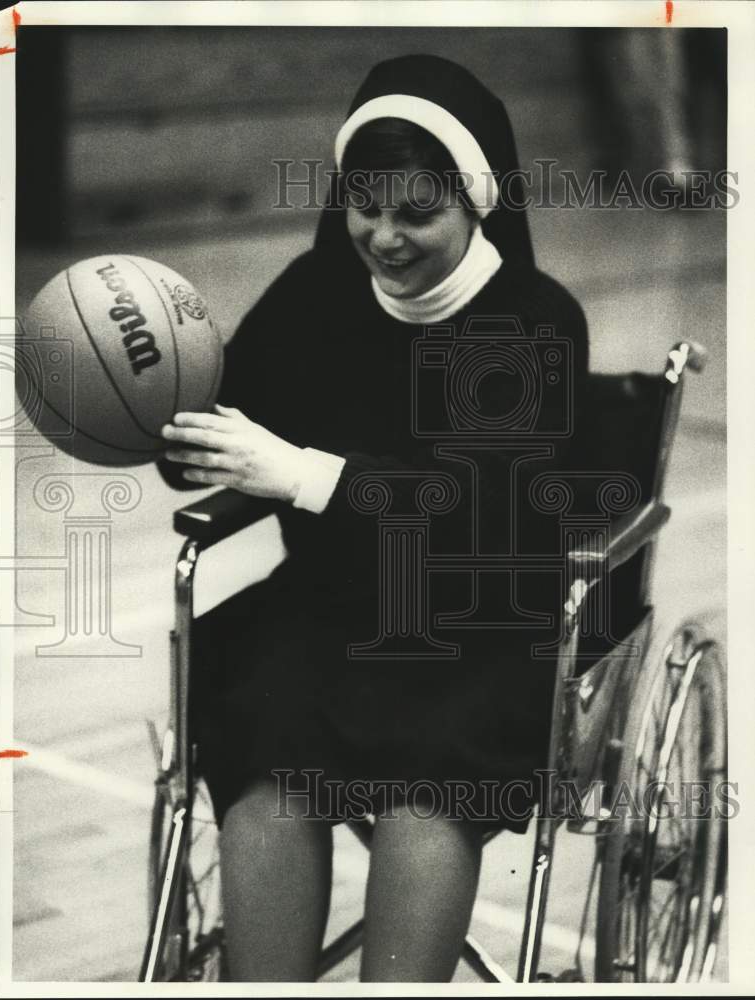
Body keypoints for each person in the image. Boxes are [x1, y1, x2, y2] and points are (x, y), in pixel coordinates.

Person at [160, 54, 589, 983]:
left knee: (422, 789)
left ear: (475, 201)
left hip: (478, 626)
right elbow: (219, 424)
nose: (383, 237)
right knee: (268, 752)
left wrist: (302, 473)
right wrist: (155, 410)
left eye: (416, 213)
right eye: (364, 205)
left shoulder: (534, 322)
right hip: (325, 611)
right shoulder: (312, 293)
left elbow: (474, 515)